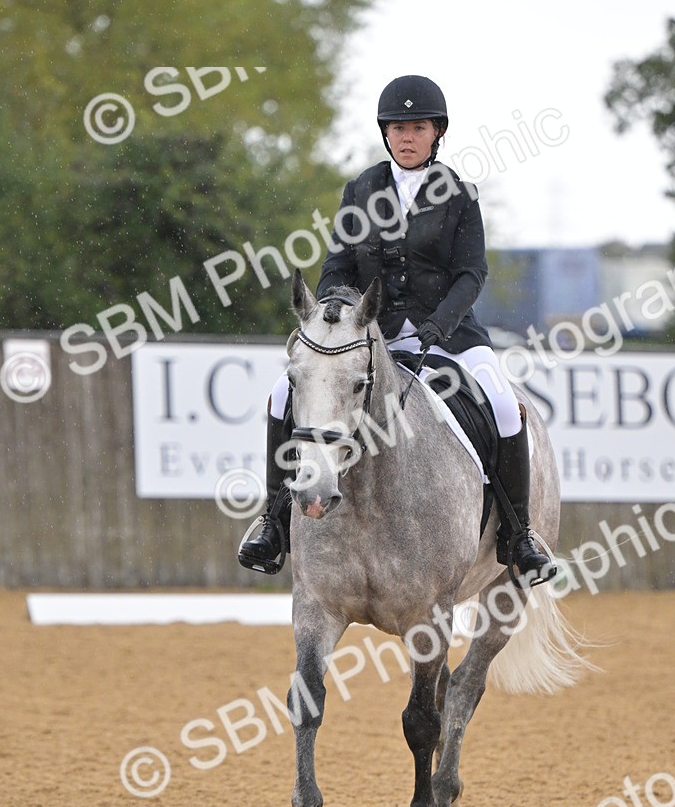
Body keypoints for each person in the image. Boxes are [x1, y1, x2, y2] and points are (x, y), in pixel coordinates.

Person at [238, 74, 555, 585]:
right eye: (397, 127)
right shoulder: (361, 190)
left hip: (449, 335)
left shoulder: (459, 194)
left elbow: (471, 274)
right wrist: (339, 311)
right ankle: (274, 521)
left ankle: (519, 535)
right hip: (371, 335)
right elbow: (337, 267)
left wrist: (437, 325)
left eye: (417, 127)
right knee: (281, 395)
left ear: (436, 133)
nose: (406, 137)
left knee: (501, 403)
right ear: (385, 132)